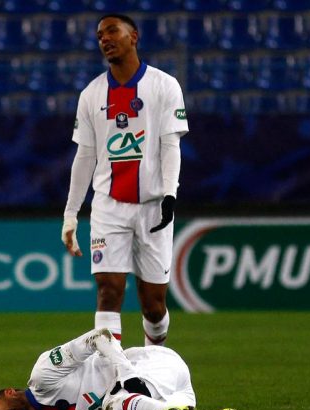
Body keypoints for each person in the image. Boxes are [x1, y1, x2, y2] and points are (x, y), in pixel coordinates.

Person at [61, 14, 188, 346]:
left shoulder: (165, 85)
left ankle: (154, 364)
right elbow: (85, 157)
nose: (105, 38)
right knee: (108, 290)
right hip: (109, 206)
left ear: (134, 36)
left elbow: (170, 146)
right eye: (100, 35)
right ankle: (112, 373)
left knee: (153, 305)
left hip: (153, 206)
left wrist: (170, 196)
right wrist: (71, 214)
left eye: (112, 31)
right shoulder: (91, 94)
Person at [0, 328, 238, 410]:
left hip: (153, 366)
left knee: (112, 406)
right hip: (172, 392)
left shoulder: (43, 375)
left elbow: (99, 336)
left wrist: (127, 375)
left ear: (9, 392)